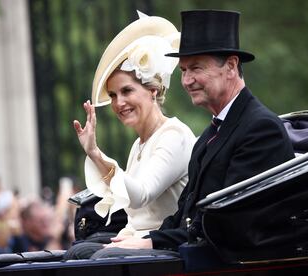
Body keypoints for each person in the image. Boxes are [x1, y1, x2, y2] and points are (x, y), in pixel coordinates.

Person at [70, 10, 295, 259]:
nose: (187, 81)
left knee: (97, 258)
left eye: (196, 68)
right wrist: (147, 239)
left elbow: (227, 224)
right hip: (197, 250)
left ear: (231, 66)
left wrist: (149, 242)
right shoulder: (211, 134)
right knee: (77, 254)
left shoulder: (260, 129)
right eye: (184, 70)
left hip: (229, 260)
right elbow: (182, 217)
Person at [64, 12, 195, 259]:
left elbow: (140, 195)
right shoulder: (139, 144)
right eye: (113, 95)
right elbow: (136, 215)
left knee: (91, 257)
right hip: (138, 243)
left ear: (153, 91)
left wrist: (95, 153)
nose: (119, 102)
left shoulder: (174, 135)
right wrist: (125, 233)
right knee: (78, 251)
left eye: (126, 91)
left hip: (164, 246)